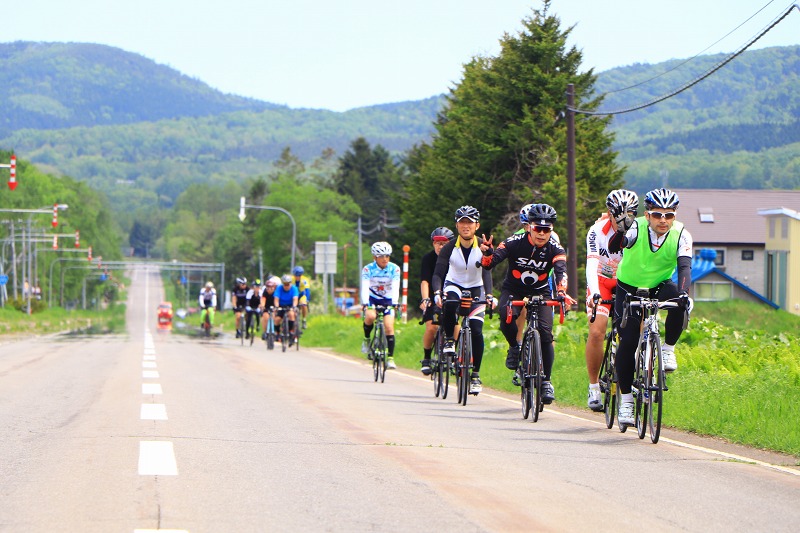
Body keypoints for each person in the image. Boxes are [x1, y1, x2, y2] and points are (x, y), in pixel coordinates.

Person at [609, 187, 693, 426]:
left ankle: (667, 349)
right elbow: (618, 245)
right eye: (657, 214)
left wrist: (685, 294)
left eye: (669, 214)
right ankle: (625, 400)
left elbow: (685, 267)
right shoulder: (635, 226)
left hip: (659, 284)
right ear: (647, 215)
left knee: (679, 301)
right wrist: (620, 231)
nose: (663, 220)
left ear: (675, 215)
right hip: (629, 287)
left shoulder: (682, 234)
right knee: (628, 341)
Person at [479, 203, 576, 403]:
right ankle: (515, 346)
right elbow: (489, 264)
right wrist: (487, 254)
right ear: (529, 226)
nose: (541, 233)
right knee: (506, 320)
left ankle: (547, 381)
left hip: (540, 292)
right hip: (513, 289)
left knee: (547, 334)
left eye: (546, 229)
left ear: (552, 230)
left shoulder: (555, 248)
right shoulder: (514, 242)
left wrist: (561, 292)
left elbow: (560, 272)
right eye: (537, 228)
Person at [584, 189, 639, 412]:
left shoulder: (640, 230)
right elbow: (590, 263)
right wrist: (595, 293)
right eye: (619, 213)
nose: (624, 218)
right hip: (602, 280)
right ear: (610, 212)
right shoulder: (597, 230)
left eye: (631, 213)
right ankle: (594, 385)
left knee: (637, 330)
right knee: (597, 331)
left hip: (627, 281)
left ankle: (633, 376)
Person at [432, 206, 494, 395]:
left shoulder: (483, 245)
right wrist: (436, 292)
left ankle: (475, 375)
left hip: (477, 288)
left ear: (477, 225)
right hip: (454, 284)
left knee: (476, 330)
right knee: (450, 301)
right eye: (462, 222)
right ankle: (450, 340)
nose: (465, 226)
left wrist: (489, 295)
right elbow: (438, 273)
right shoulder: (450, 247)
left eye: (469, 222)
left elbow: (487, 271)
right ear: (457, 225)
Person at [419, 226, 454, 375]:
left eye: (444, 243)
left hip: (452, 295)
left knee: (456, 324)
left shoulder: (455, 257)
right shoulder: (428, 258)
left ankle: (452, 354)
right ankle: (427, 358)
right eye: (437, 243)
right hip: (434, 296)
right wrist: (426, 298)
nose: (440, 246)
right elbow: (425, 281)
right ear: (433, 244)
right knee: (432, 327)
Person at [360, 241, 401, 369]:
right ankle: (367, 339)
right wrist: (365, 303)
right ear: (375, 257)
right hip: (372, 298)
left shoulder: (394, 268)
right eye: (382, 256)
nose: (385, 259)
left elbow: (396, 286)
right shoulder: (368, 269)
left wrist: (395, 303)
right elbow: (365, 286)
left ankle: (390, 358)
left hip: (388, 299)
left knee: (389, 327)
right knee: (371, 317)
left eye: (387, 256)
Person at [274, 274, 299, 345]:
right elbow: (276, 299)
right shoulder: (279, 288)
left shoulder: (294, 288)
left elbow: (295, 299)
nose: (286, 286)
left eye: (288, 284)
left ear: (290, 283)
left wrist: (294, 306)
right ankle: (278, 333)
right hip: (281, 305)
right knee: (277, 319)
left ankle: (291, 331)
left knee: (291, 314)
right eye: (285, 284)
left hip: (290, 305)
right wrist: (276, 306)